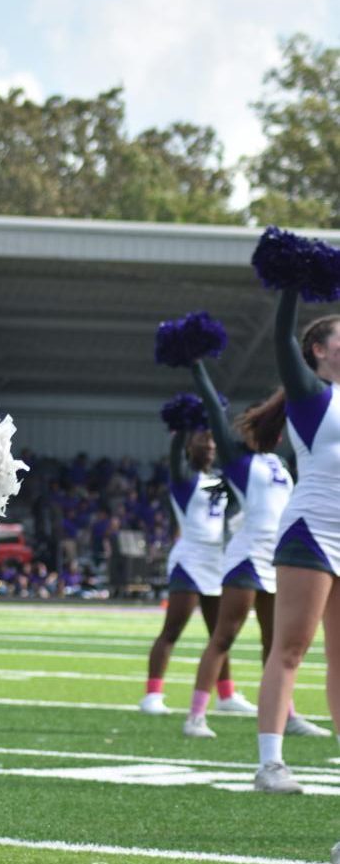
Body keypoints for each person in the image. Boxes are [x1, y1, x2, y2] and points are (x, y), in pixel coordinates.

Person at [182, 356, 326, 750]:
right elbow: (214, 409)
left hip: (278, 557)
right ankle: (196, 714)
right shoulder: (237, 460)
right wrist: (198, 368)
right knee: (225, 635)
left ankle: (288, 714)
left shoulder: (280, 463)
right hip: (246, 558)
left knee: (276, 642)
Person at [253, 299, 340, 793]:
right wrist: (289, 288)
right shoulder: (311, 396)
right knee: (290, 649)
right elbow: (281, 338)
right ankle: (270, 763)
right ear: (320, 351)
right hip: (311, 533)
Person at [139, 425, 249, 715]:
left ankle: (226, 696)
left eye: (212, 441)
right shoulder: (184, 478)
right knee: (172, 629)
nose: (210, 445)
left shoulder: (219, 480)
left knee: (221, 634)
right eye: (202, 440)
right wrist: (179, 429)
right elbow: (175, 456)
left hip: (217, 562)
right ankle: (152, 695)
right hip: (190, 561)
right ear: (190, 446)